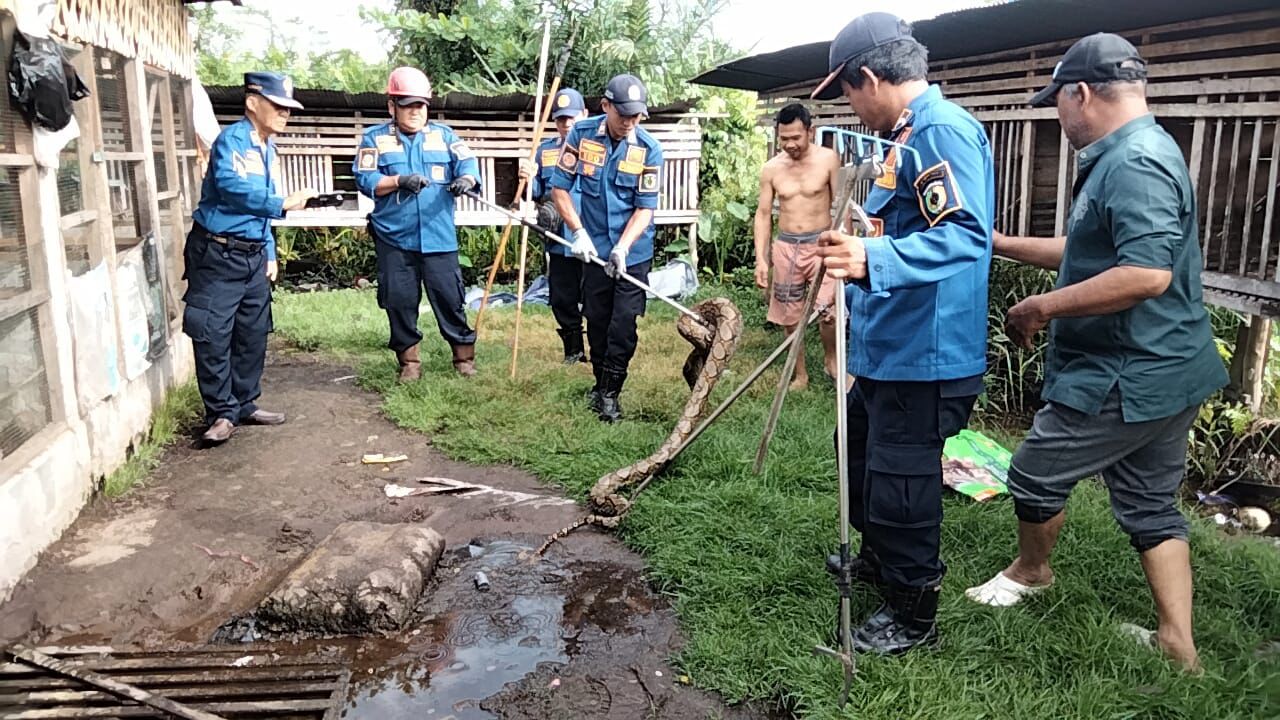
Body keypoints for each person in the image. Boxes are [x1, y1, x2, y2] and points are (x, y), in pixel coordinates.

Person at [964, 34, 1228, 673]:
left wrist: (1038, 307)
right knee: (1148, 503)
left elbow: (1144, 275)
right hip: (1169, 370)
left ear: (1080, 92)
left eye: (1057, 101)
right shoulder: (1135, 151)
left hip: (1126, 372)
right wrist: (999, 242)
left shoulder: (1134, 163)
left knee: (1032, 474)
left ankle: (1032, 572)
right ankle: (1177, 644)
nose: (1057, 113)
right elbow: (1087, 251)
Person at [813, 12, 995, 655]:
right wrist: (862, 246)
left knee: (902, 484)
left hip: (928, 351)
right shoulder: (908, 134)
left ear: (869, 77)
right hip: (892, 344)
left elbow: (966, 236)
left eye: (847, 93)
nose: (850, 107)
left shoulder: (942, 131)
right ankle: (882, 564)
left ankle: (913, 613)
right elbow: (915, 227)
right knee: (859, 453)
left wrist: (871, 260)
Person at [185, 71, 317, 445]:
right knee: (212, 333)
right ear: (252, 102)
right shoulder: (232, 142)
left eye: (288, 109)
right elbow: (230, 188)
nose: (284, 114)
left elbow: (261, 211)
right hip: (217, 253)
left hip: (253, 255)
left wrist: (270, 251)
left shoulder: (267, 148)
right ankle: (221, 413)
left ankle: (244, 403)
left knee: (253, 333)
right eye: (278, 106)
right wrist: (282, 203)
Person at [354, 67, 481, 381]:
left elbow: (468, 164)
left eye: (420, 105)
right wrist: (398, 180)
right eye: (408, 104)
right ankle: (409, 362)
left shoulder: (445, 135)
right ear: (391, 107)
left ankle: (463, 357)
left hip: (438, 236)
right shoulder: (375, 138)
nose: (415, 111)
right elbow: (364, 177)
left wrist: (466, 179)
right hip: (394, 238)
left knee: (451, 298)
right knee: (399, 300)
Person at [550, 74, 663, 423]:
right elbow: (560, 188)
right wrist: (578, 231)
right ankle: (600, 384)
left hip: (633, 252)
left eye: (636, 116)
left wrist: (623, 249)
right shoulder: (581, 136)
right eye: (623, 114)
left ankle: (612, 392)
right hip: (593, 248)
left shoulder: (648, 148)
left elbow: (645, 208)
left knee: (623, 323)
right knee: (596, 319)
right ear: (606, 106)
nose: (629, 122)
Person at [753, 103, 842, 389]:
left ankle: (832, 362)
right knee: (790, 315)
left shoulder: (829, 159)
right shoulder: (771, 168)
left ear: (810, 132)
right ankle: (799, 373)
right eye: (784, 138)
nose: (790, 144)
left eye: (796, 137)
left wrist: (844, 246)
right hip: (787, 247)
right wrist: (761, 259)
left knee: (828, 311)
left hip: (822, 244)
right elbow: (764, 214)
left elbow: (842, 207)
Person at [518, 88, 590, 364]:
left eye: (572, 118)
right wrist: (528, 177)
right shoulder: (545, 151)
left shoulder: (597, 148)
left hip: (591, 237)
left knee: (595, 298)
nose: (567, 125)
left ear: (584, 115)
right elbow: (535, 191)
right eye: (561, 120)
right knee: (563, 298)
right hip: (559, 239)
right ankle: (573, 351)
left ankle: (599, 347)